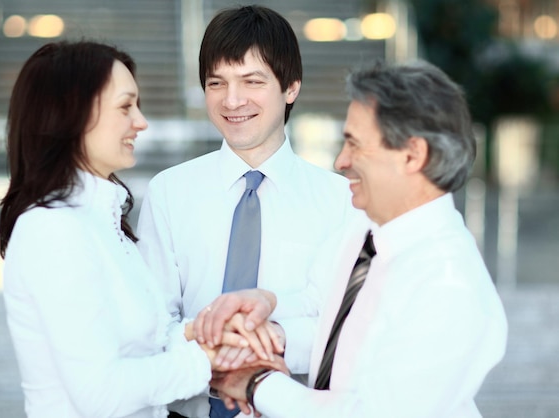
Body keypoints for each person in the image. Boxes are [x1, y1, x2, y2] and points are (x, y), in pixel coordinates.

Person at [206, 60, 509, 417]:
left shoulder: (449, 283)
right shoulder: (364, 230)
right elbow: (327, 319)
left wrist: (256, 382)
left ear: (413, 155)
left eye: (355, 144)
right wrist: (268, 316)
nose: (341, 160)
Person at [0, 40, 279, 418]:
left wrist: (212, 332)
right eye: (125, 106)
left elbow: (148, 345)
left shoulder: (104, 223)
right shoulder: (52, 230)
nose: (141, 121)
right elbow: (102, 394)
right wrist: (209, 362)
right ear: (74, 114)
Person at [135, 5, 357, 418]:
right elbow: (152, 323)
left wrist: (264, 343)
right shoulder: (169, 191)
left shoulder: (342, 199)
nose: (232, 100)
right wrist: (212, 354)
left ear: (291, 87)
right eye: (216, 83)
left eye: (251, 81)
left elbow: (340, 327)